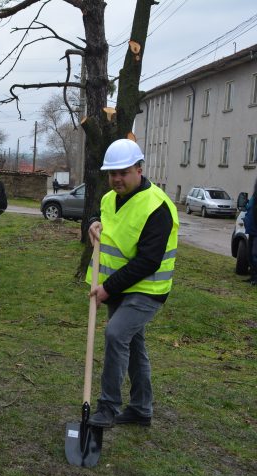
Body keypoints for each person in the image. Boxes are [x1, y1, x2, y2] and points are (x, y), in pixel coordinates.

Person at [85, 138, 178, 429]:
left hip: (147, 289)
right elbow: (107, 218)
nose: (116, 179)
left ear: (139, 169)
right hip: (120, 287)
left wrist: (108, 288)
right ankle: (141, 409)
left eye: (123, 172)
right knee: (134, 347)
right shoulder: (109, 197)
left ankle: (108, 407)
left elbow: (148, 261)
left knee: (116, 335)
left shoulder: (158, 207)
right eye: (112, 174)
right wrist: (93, 221)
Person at [243, 178, 257, 284]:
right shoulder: (254, 197)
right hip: (251, 230)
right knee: (250, 255)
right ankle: (253, 277)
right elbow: (248, 207)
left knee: (254, 254)